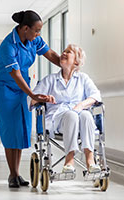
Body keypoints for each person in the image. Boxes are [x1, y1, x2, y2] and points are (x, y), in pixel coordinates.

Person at [0, 10, 59, 188]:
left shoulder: (33, 40)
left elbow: (50, 54)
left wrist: (66, 64)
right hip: (6, 88)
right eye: (36, 30)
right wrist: (32, 94)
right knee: (9, 129)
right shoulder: (8, 45)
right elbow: (15, 74)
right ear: (25, 28)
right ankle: (12, 174)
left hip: (23, 88)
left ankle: (17, 174)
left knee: (21, 128)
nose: (38, 34)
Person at [28, 44, 102, 173]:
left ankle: (90, 159)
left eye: (69, 52)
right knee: (71, 115)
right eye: (64, 51)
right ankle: (69, 159)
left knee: (86, 115)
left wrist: (80, 106)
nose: (63, 53)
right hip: (58, 121)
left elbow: (96, 96)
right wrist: (43, 98)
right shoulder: (50, 80)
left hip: (81, 119)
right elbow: (31, 99)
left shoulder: (83, 79)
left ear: (76, 62)